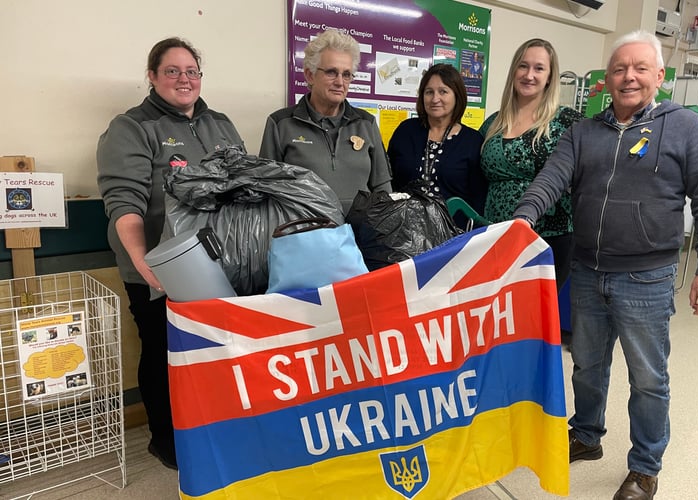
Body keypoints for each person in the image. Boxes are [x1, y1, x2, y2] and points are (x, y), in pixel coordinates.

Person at [513, 30, 698, 500]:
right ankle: (587, 436)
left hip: (647, 277)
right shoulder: (583, 131)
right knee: (587, 366)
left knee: (648, 376)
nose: (628, 77)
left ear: (658, 75)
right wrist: (523, 218)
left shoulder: (687, 128)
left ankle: (645, 466)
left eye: (638, 68)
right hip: (589, 273)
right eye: (618, 69)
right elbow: (551, 178)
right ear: (606, 80)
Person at [97, 37, 244, 470]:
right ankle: (166, 440)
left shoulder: (220, 123)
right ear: (152, 76)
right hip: (162, 265)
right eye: (173, 71)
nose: (184, 79)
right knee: (164, 351)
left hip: (220, 261)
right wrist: (146, 266)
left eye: (192, 71)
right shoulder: (132, 127)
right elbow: (124, 203)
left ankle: (213, 426)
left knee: (214, 349)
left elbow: (243, 183)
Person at [481, 38, 583, 293]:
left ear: (550, 77)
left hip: (548, 237)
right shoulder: (493, 123)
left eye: (539, 68)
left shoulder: (567, 122)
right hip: (496, 234)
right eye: (523, 66)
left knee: (532, 315)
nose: (529, 75)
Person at [259, 29, 392, 213]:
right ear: (310, 75)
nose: (340, 82)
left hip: (360, 238)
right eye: (331, 72)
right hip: (304, 236)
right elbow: (267, 193)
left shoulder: (366, 123)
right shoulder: (280, 124)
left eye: (346, 74)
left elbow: (382, 188)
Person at [387, 63, 487, 227]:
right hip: (404, 232)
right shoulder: (405, 131)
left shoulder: (472, 141)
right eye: (429, 92)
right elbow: (388, 180)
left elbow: (478, 198)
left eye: (443, 91)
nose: (435, 99)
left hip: (454, 236)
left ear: (457, 96)